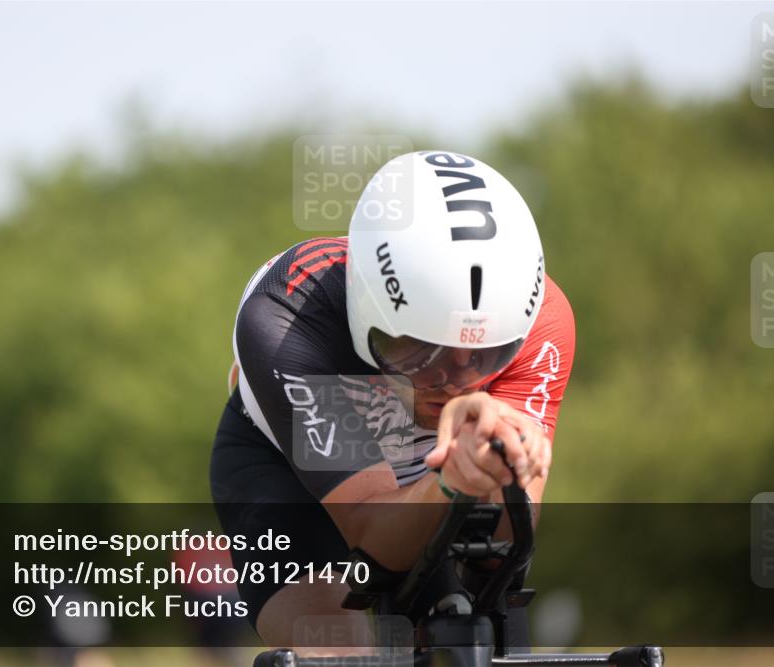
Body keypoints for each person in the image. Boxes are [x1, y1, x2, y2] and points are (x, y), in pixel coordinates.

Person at [211, 151, 575, 655]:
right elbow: (375, 543)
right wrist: (452, 479)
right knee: (340, 646)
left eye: (486, 356)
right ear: (365, 304)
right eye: (417, 352)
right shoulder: (290, 312)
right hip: (289, 475)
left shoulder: (543, 322)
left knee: (486, 636)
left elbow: (505, 552)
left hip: (430, 474)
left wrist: (506, 466)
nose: (451, 382)